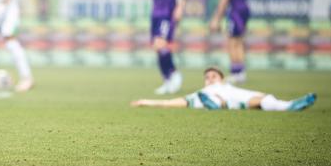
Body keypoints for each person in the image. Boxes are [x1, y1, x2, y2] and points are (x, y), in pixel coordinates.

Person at [130, 0, 191, 94]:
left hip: (168, 11)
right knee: (157, 47)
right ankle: (167, 80)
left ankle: (174, 75)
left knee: (161, 44)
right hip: (156, 13)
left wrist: (181, 6)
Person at [131, 66, 316, 111]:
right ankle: (215, 104)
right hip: (212, 98)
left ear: (221, 78)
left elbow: (254, 95)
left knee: (264, 99)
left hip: (233, 98)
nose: (210, 79)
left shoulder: (229, 87)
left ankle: (290, 105)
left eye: (213, 76)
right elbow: (172, 102)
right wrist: (146, 101)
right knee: (197, 99)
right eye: (207, 77)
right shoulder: (203, 91)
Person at [206, 0, 251, 83]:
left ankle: (236, 72)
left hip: (236, 9)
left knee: (232, 41)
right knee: (237, 41)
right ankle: (240, 72)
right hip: (242, 8)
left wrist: (216, 18)